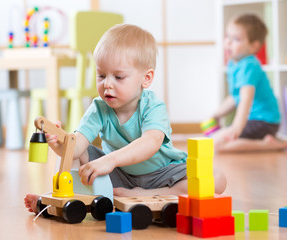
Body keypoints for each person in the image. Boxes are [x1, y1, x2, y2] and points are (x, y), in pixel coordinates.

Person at [25, 24, 226, 214]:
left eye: (118, 77)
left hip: (162, 174)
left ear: (146, 78)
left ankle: (153, 195)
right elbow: (76, 148)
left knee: (217, 178)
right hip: (119, 175)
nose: (107, 85)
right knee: (79, 153)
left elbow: (151, 143)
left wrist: (109, 160)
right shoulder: (98, 108)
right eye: (101, 75)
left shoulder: (153, 106)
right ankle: (60, 201)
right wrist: (58, 141)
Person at [211, 14, 287, 152]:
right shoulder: (233, 64)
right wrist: (216, 115)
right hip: (257, 121)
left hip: (264, 121)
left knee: (217, 144)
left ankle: (268, 145)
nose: (228, 42)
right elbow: (235, 97)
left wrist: (236, 127)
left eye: (236, 39)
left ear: (253, 46)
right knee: (215, 140)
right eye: (227, 36)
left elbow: (246, 98)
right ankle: (272, 140)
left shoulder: (249, 65)